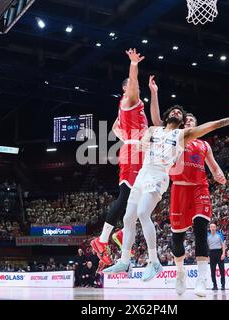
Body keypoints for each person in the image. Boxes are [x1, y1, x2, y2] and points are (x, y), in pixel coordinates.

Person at [104, 99, 229, 281]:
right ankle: (124, 260)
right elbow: (140, 141)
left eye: (180, 113)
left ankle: (154, 262)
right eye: (173, 111)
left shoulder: (182, 135)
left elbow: (212, 125)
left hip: (159, 175)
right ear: (167, 116)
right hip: (142, 174)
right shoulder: (154, 130)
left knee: (143, 213)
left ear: (182, 120)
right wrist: (139, 137)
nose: (176, 113)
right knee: (128, 218)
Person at [90, 49, 162, 265]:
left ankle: (120, 233)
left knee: (143, 200)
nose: (137, 89)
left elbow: (153, 124)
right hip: (133, 153)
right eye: (134, 86)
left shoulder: (132, 108)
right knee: (126, 195)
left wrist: (154, 92)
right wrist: (133, 64)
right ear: (126, 88)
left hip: (139, 152)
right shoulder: (129, 100)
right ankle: (102, 240)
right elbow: (132, 83)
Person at [164, 109, 226, 296]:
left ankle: (201, 280)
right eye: (187, 120)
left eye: (192, 120)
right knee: (177, 241)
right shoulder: (176, 139)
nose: (189, 121)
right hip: (179, 189)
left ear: (197, 125)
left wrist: (218, 173)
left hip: (200, 188)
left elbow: (213, 166)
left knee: (200, 229)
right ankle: (180, 272)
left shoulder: (204, 145)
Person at [207, 223, 226, 291]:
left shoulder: (219, 235)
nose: (212, 228)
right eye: (211, 227)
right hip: (211, 253)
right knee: (212, 271)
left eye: (214, 227)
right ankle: (214, 285)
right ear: (209, 228)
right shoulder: (208, 236)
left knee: (222, 270)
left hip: (219, 252)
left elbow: (223, 245)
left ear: (216, 228)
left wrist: (223, 254)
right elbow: (207, 247)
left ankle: (223, 285)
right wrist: (208, 256)